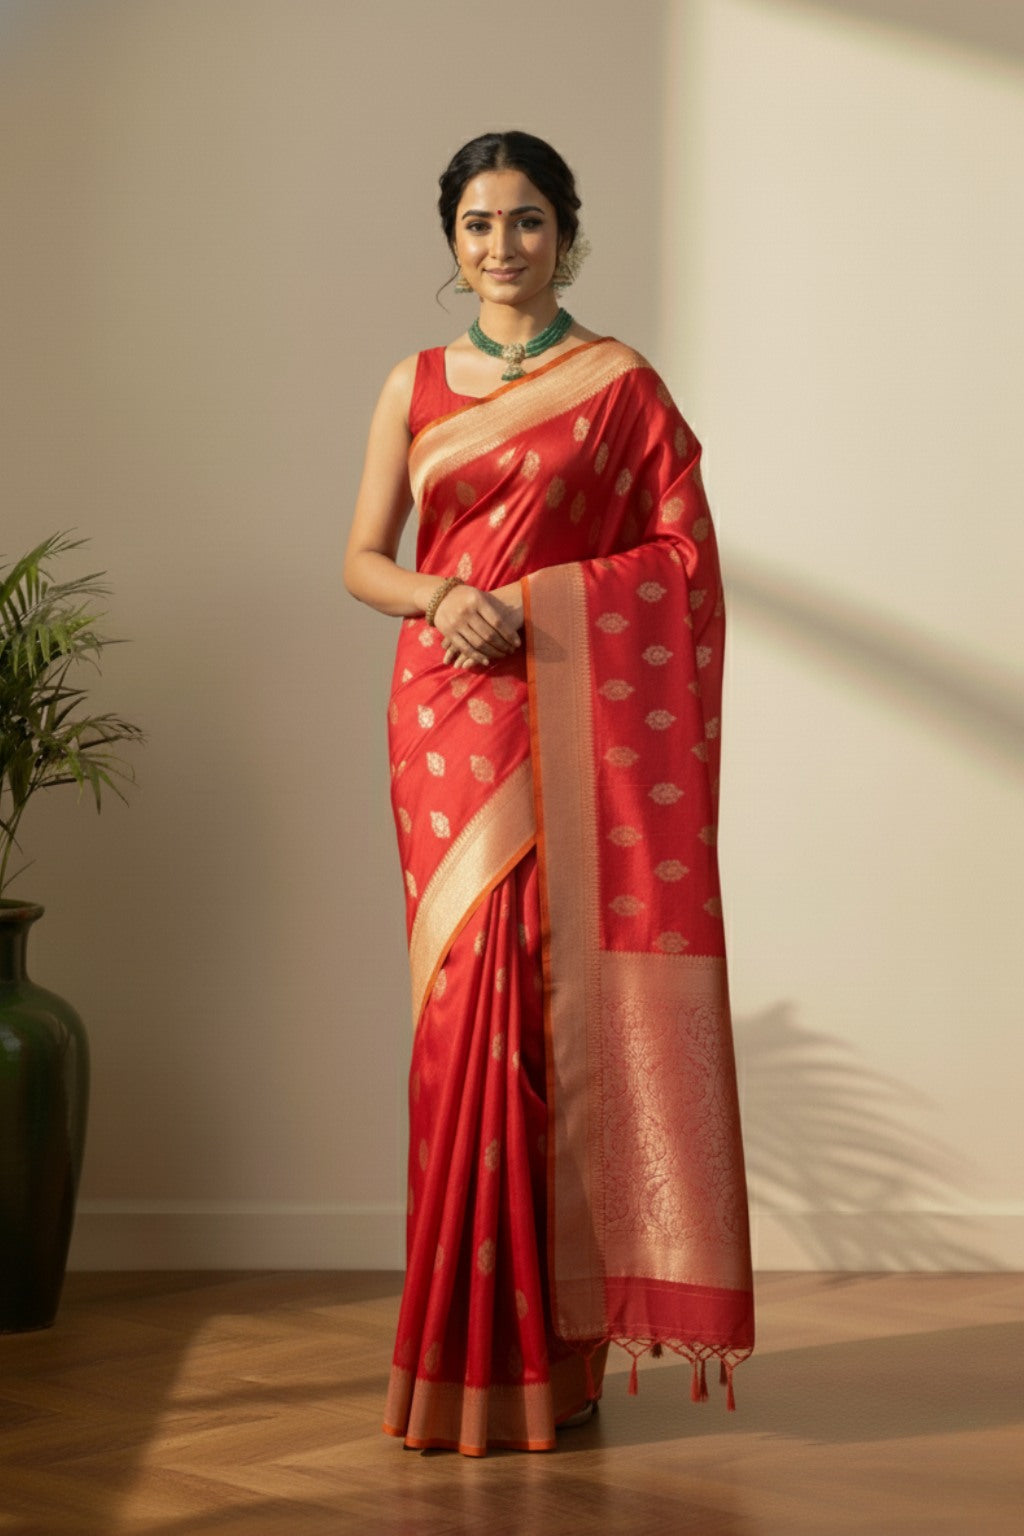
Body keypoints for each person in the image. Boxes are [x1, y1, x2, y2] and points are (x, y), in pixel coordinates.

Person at [344, 130, 754, 1458]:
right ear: (451, 241)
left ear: (565, 234)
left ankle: (549, 1359)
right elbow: (362, 559)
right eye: (478, 223)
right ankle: (458, 1353)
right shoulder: (413, 384)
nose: (502, 245)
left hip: (570, 706)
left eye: (526, 220)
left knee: (544, 1015)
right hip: (445, 719)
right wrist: (441, 597)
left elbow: (683, 561)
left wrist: (543, 604)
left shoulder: (619, 385)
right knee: (463, 1019)